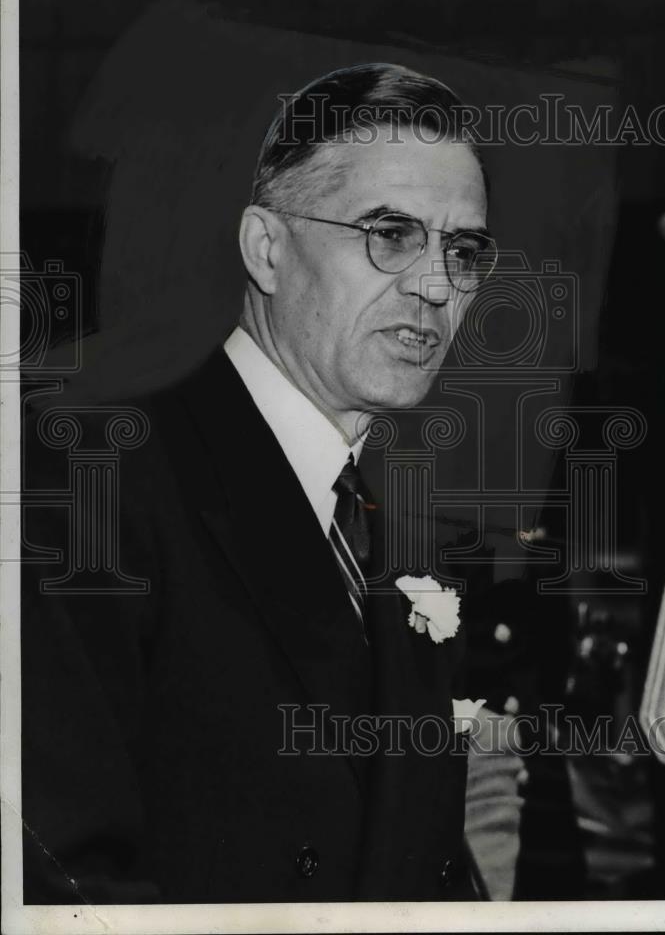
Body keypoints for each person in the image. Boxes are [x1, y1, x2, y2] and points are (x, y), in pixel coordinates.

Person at [21, 63, 498, 903]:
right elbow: (59, 879)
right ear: (266, 249)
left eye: (462, 250)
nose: (436, 286)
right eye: (390, 233)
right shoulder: (94, 478)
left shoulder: (391, 530)